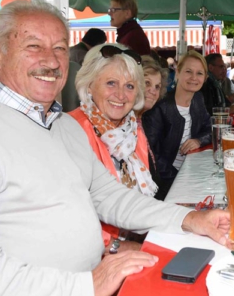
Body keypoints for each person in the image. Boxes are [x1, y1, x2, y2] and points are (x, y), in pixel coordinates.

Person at [0, 0, 229, 296]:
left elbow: (110, 197)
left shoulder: (60, 125)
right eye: (33, 46)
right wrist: (88, 286)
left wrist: (193, 219)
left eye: (57, 48)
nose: (51, 60)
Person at [69, 44, 167, 253]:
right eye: (111, 83)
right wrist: (119, 247)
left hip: (136, 235)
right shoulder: (72, 130)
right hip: (95, 254)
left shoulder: (132, 130)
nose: (121, 95)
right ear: (89, 85)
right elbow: (71, 216)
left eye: (130, 86)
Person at [143, 50, 212, 197]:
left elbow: (210, 129)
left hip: (190, 172)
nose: (194, 78)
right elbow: (151, 156)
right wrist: (179, 178)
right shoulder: (159, 107)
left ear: (205, 78)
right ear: (178, 72)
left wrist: (198, 140)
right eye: (188, 71)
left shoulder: (198, 99)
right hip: (165, 184)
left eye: (199, 73)